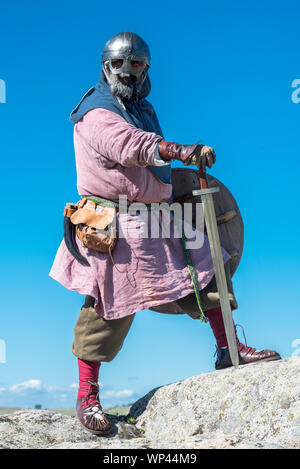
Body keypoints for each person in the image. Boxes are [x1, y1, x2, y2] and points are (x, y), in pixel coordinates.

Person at [49, 32, 280, 436]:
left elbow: (146, 153)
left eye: (135, 64)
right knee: (108, 306)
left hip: (157, 217)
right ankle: (87, 394)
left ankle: (229, 349)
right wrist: (181, 150)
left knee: (209, 267)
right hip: (116, 223)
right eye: (119, 64)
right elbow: (130, 147)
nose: (127, 72)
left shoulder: (142, 108)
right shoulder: (96, 112)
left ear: (145, 68)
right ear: (105, 67)